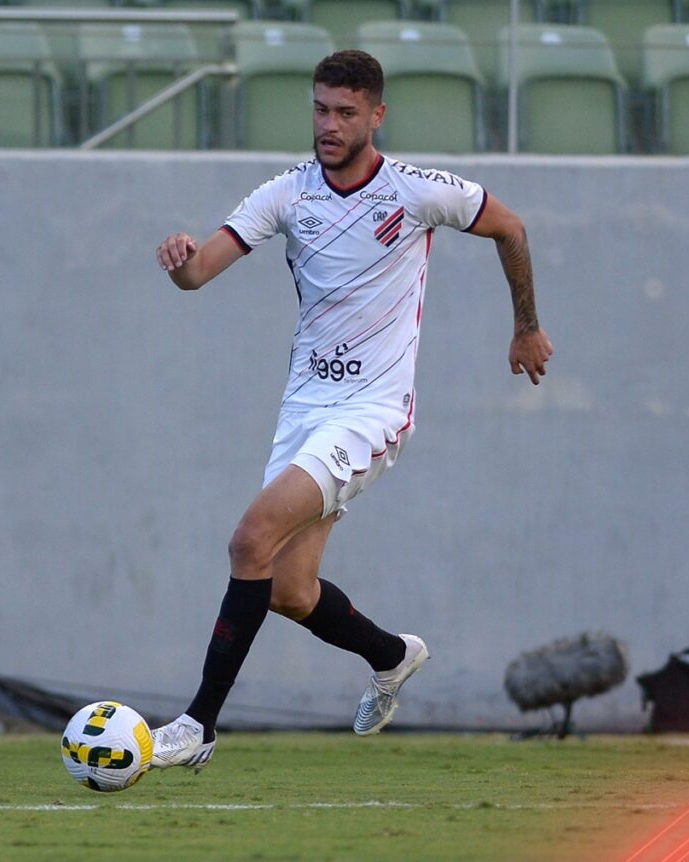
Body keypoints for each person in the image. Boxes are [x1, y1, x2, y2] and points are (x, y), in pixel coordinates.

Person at [150, 50, 554, 771]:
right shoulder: (288, 194)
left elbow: (511, 228)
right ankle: (393, 655)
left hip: (372, 410)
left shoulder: (416, 191)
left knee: (250, 539)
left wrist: (525, 324)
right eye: (319, 109)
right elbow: (199, 273)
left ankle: (197, 726)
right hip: (304, 408)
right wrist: (181, 258)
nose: (329, 125)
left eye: (344, 112)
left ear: (376, 115)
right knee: (286, 588)